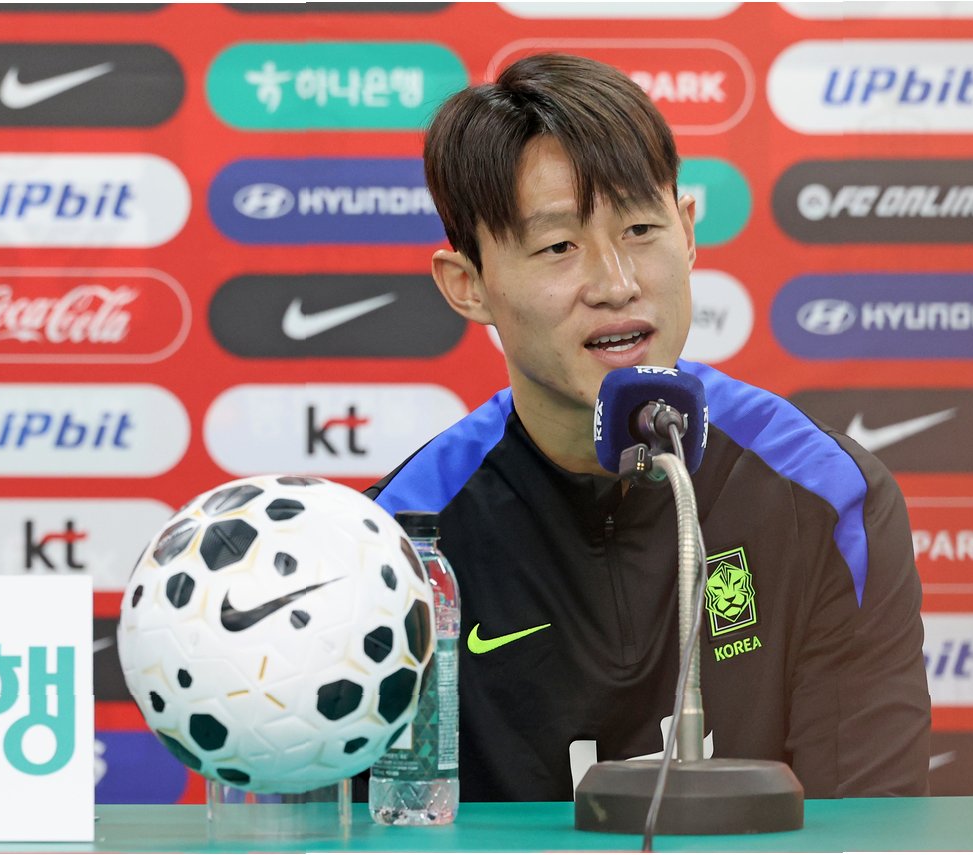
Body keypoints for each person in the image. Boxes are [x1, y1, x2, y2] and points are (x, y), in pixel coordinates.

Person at [365, 53, 931, 802]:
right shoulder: (398, 542)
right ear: (468, 285)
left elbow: (864, 831)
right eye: (558, 246)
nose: (617, 283)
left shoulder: (828, 498)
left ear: (687, 234)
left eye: (639, 228)